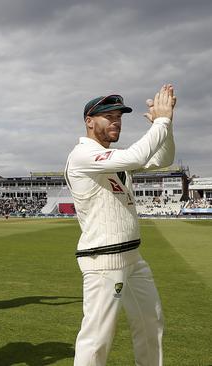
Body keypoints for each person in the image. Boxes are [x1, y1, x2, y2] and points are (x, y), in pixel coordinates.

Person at [65, 85, 176, 365]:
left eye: (120, 116)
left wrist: (168, 125)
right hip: (104, 260)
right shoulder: (83, 155)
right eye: (109, 116)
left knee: (151, 323)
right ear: (89, 121)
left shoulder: (114, 159)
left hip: (133, 258)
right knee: (97, 340)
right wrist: (160, 121)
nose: (116, 121)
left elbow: (164, 158)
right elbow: (137, 157)